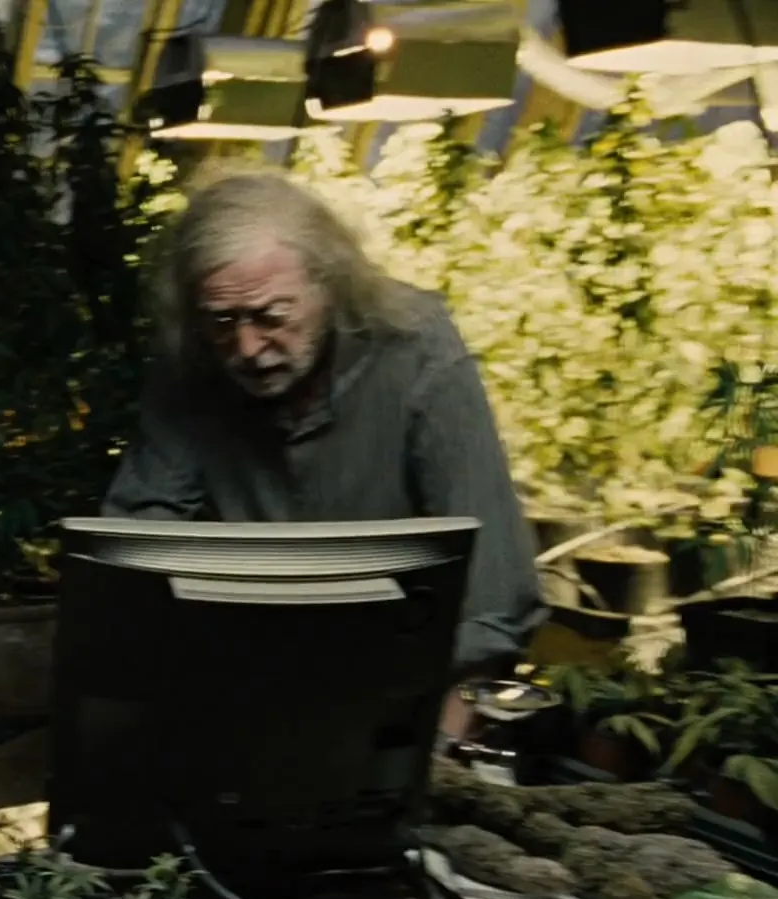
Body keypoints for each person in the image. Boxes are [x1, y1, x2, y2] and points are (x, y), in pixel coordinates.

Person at [101, 172, 546, 733]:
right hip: (243, 681)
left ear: (329, 285)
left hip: (405, 685)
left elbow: (495, 588)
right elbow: (140, 534)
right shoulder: (193, 361)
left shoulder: (416, 349)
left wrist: (439, 739)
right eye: (222, 322)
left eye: (271, 316)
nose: (247, 348)